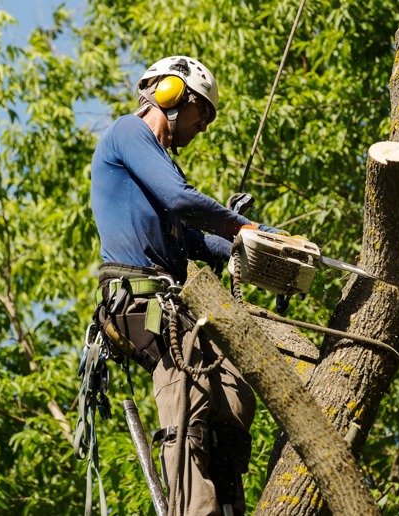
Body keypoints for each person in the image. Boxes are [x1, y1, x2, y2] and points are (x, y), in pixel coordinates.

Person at [89, 56, 280, 516]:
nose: (203, 127)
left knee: (234, 394)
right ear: (174, 95)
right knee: (188, 391)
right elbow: (181, 199)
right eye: (203, 114)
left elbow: (191, 237)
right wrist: (241, 227)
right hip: (138, 299)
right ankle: (195, 510)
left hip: (170, 302)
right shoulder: (128, 132)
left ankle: (231, 503)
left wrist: (246, 248)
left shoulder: (158, 166)